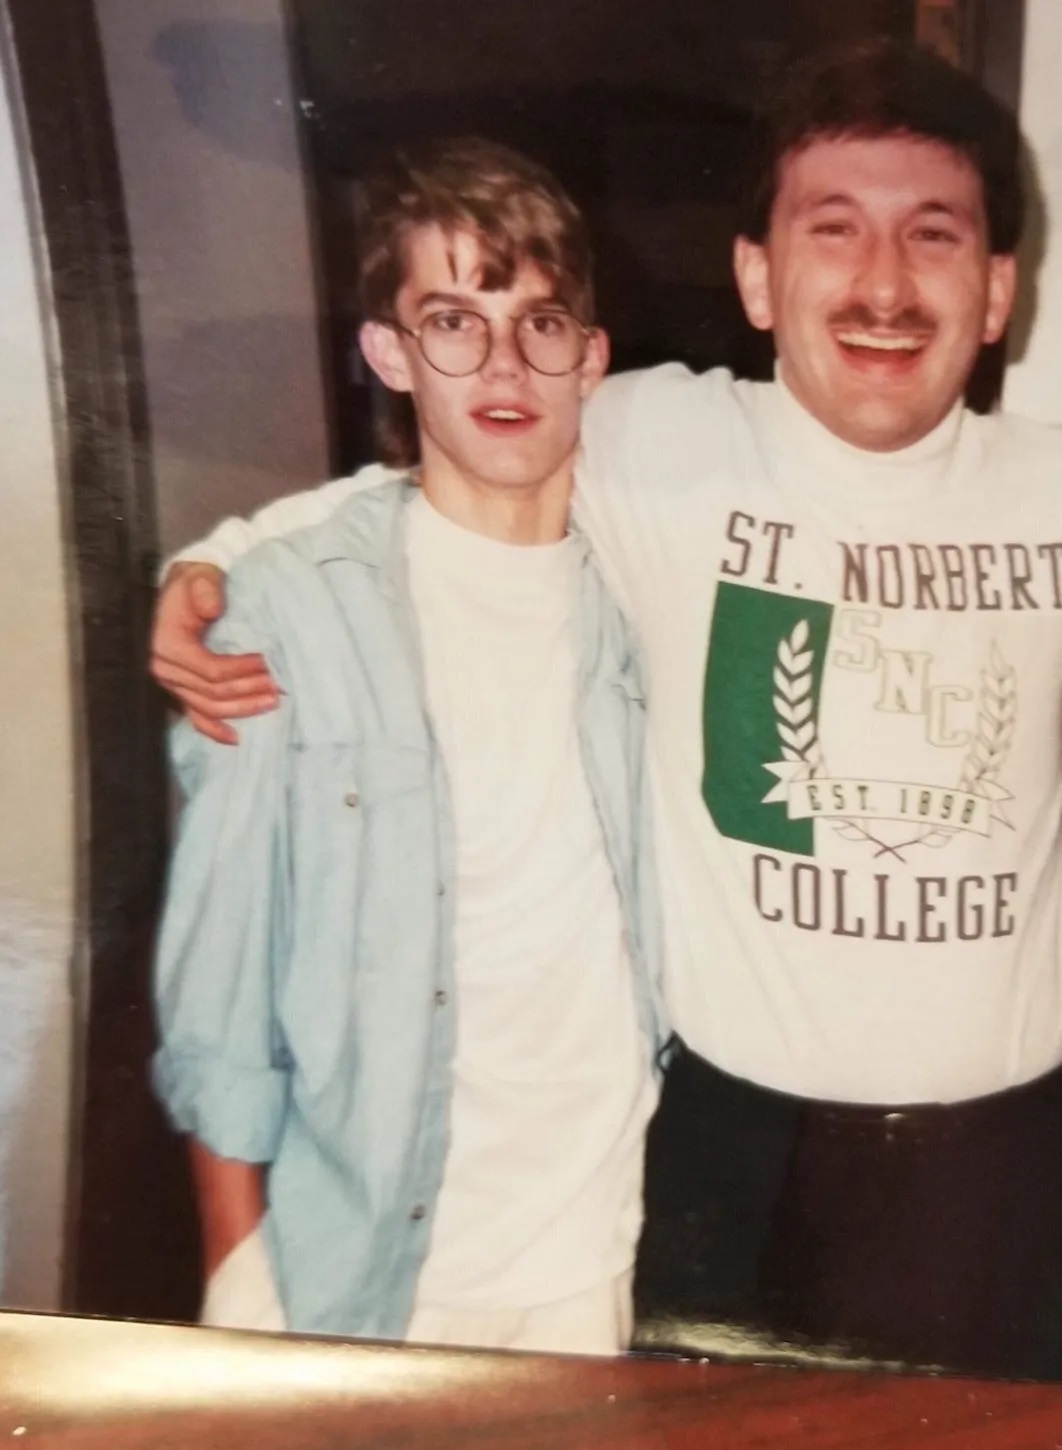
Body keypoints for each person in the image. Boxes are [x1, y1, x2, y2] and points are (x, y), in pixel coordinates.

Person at [152, 38, 1062, 1377]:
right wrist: (219, 561)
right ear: (756, 276)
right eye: (832, 230)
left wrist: (213, 557)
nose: (880, 281)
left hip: (997, 1174)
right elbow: (453, 460)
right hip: (717, 1156)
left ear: (994, 292)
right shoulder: (655, 443)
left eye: (932, 237)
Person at [151, 136, 667, 1353]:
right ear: (390, 351)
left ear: (591, 360)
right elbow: (219, 983)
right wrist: (240, 1281)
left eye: (540, 323)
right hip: (353, 1264)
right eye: (452, 319)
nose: (501, 362)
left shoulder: (646, 591)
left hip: (588, 1257)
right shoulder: (288, 606)